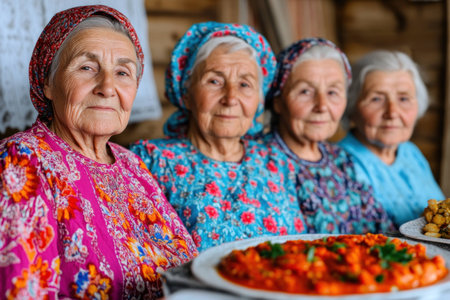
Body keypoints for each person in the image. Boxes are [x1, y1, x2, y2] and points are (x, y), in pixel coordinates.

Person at [0, 5, 197, 299]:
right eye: (87, 68)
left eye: (122, 72)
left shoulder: (131, 163)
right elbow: (23, 290)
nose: (108, 87)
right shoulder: (24, 160)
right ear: (48, 82)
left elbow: (189, 264)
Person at [131, 22, 306, 252]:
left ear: (259, 102)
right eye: (215, 81)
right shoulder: (151, 161)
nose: (231, 98)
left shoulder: (277, 162)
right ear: (186, 92)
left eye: (245, 84)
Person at [265, 38, 393, 234]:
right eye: (305, 91)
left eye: (333, 92)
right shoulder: (258, 162)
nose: (322, 106)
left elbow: (383, 232)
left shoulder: (341, 160)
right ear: (278, 101)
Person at [339, 50, 445, 227]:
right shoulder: (338, 165)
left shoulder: (410, 152)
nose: (393, 112)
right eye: (376, 99)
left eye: (404, 98)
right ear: (351, 107)